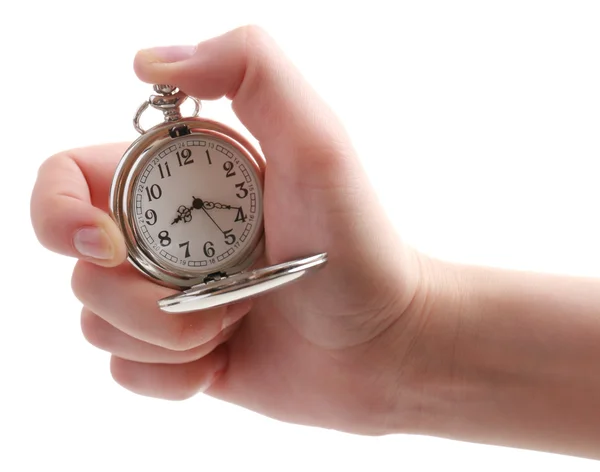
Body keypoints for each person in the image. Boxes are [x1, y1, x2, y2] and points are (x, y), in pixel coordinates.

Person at [30, 26, 600, 460]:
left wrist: (407, 339)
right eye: (184, 206)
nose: (201, 205)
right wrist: (406, 338)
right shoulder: (176, 171)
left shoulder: (228, 165)